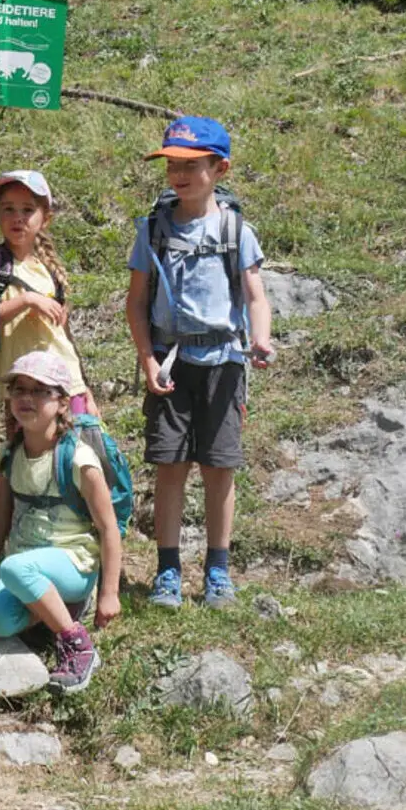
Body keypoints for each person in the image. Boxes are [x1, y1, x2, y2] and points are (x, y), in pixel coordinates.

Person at [124, 115, 272, 611]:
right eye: (172, 165)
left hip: (225, 361)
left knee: (219, 468)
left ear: (220, 167)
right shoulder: (152, 229)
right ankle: (167, 570)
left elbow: (255, 295)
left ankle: (217, 571)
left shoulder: (235, 229)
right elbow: (136, 301)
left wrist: (262, 339)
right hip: (171, 361)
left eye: (191, 164)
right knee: (170, 467)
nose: (179, 174)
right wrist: (146, 359)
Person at [0, 351, 121, 693]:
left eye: (39, 391)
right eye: (19, 390)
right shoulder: (12, 456)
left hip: (72, 564)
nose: (26, 399)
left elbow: (108, 528)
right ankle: (59, 610)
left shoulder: (78, 458)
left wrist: (110, 592)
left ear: (63, 403)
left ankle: (78, 645)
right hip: (26, 565)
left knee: (16, 569)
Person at [0, 169, 96, 416]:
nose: (18, 218)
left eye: (28, 210)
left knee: (74, 451)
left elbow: (64, 336)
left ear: (45, 218)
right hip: (22, 388)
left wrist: (85, 388)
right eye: (8, 209)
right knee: (27, 452)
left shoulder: (47, 268)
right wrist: (27, 300)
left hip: (67, 384)